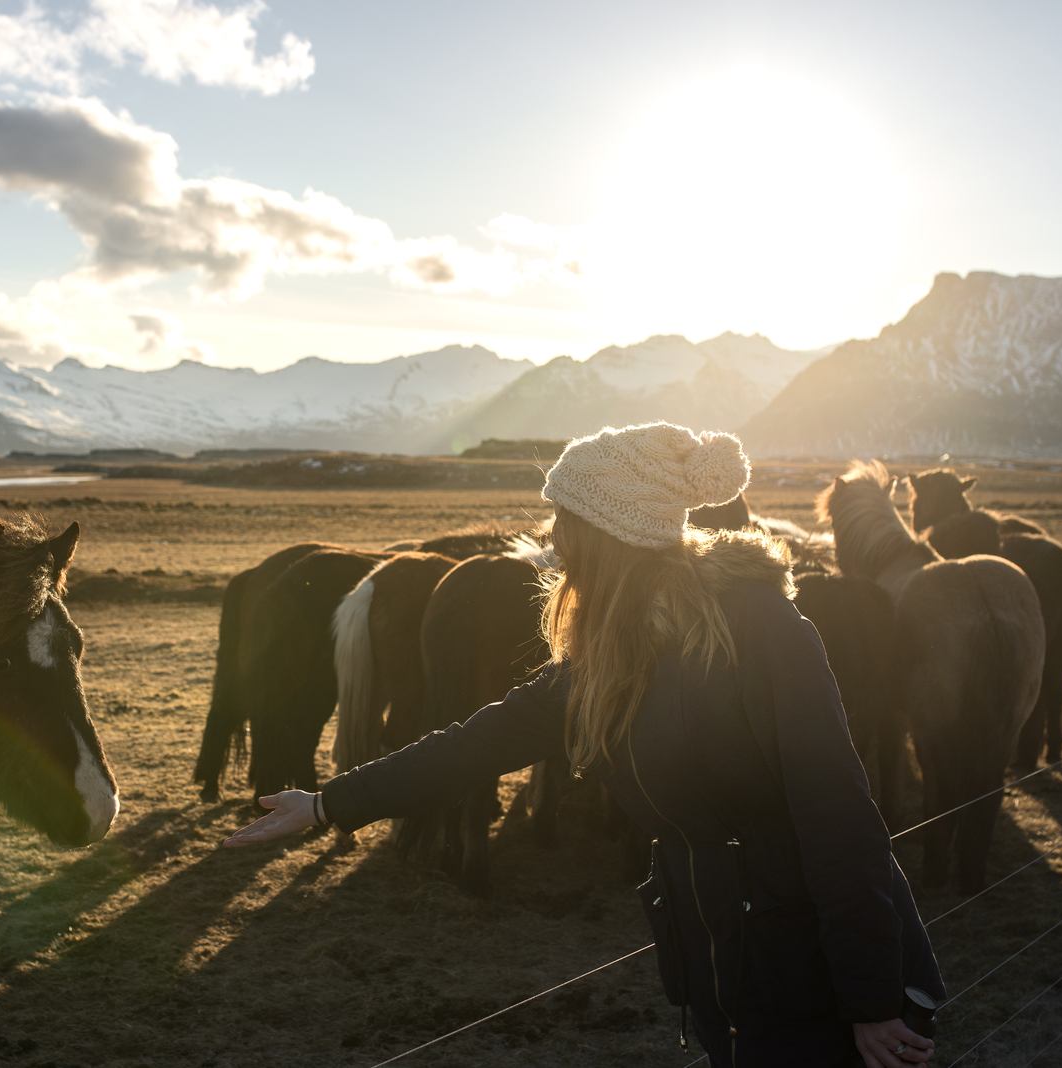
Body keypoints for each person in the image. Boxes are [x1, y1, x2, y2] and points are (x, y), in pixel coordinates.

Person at [224, 421, 944, 1068]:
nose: (552, 537)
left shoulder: (762, 631)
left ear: (611, 534)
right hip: (720, 959)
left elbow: (841, 819)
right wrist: (326, 804)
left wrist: (871, 999)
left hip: (815, 970)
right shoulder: (610, 656)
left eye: (564, 519)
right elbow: (477, 742)